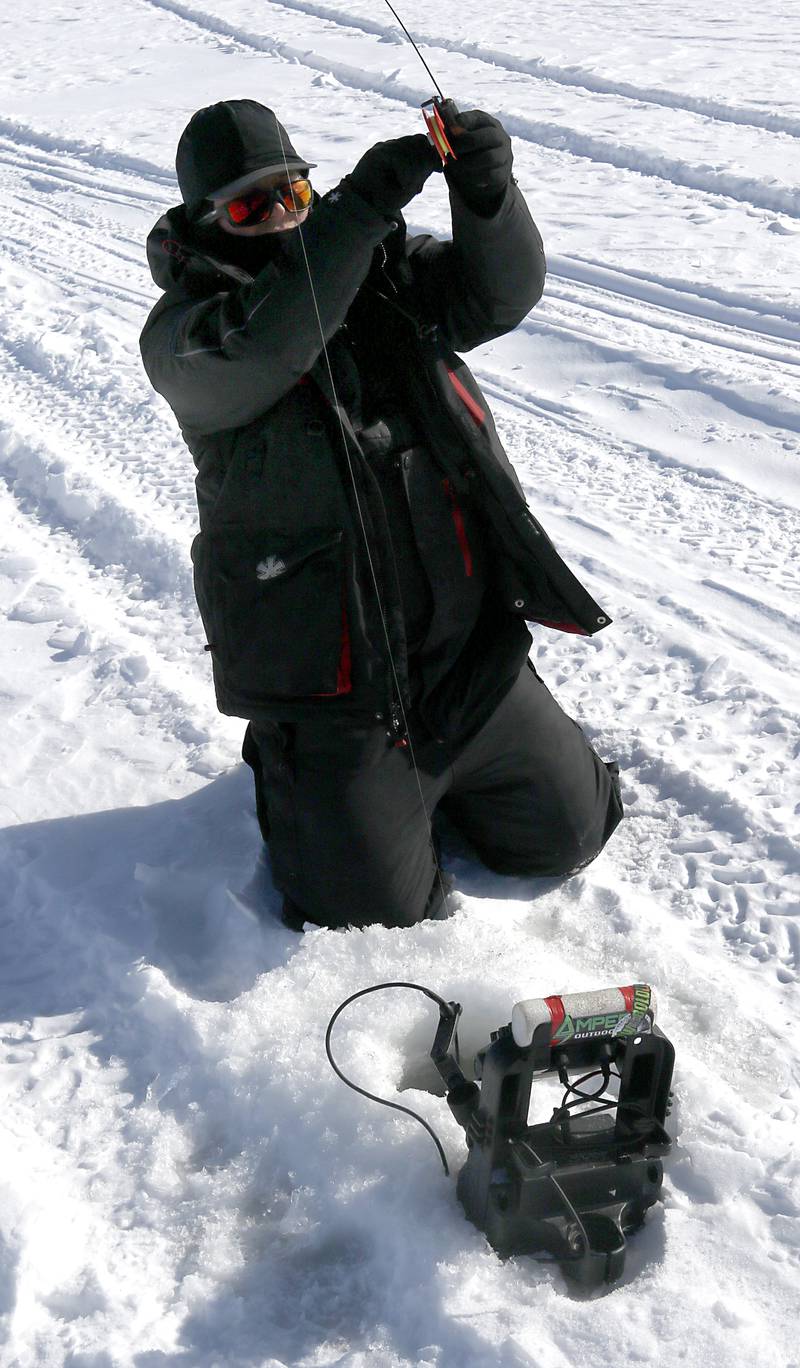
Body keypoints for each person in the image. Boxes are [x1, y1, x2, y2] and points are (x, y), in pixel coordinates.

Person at [140, 98, 622, 931]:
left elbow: (497, 296)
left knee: (571, 834)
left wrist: (486, 197)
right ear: (205, 222)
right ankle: (297, 775)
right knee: (370, 917)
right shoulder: (187, 337)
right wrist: (356, 211)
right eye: (255, 207)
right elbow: (273, 339)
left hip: (466, 663)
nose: (285, 216)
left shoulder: (378, 272)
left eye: (296, 193)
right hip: (340, 701)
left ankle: (463, 768)